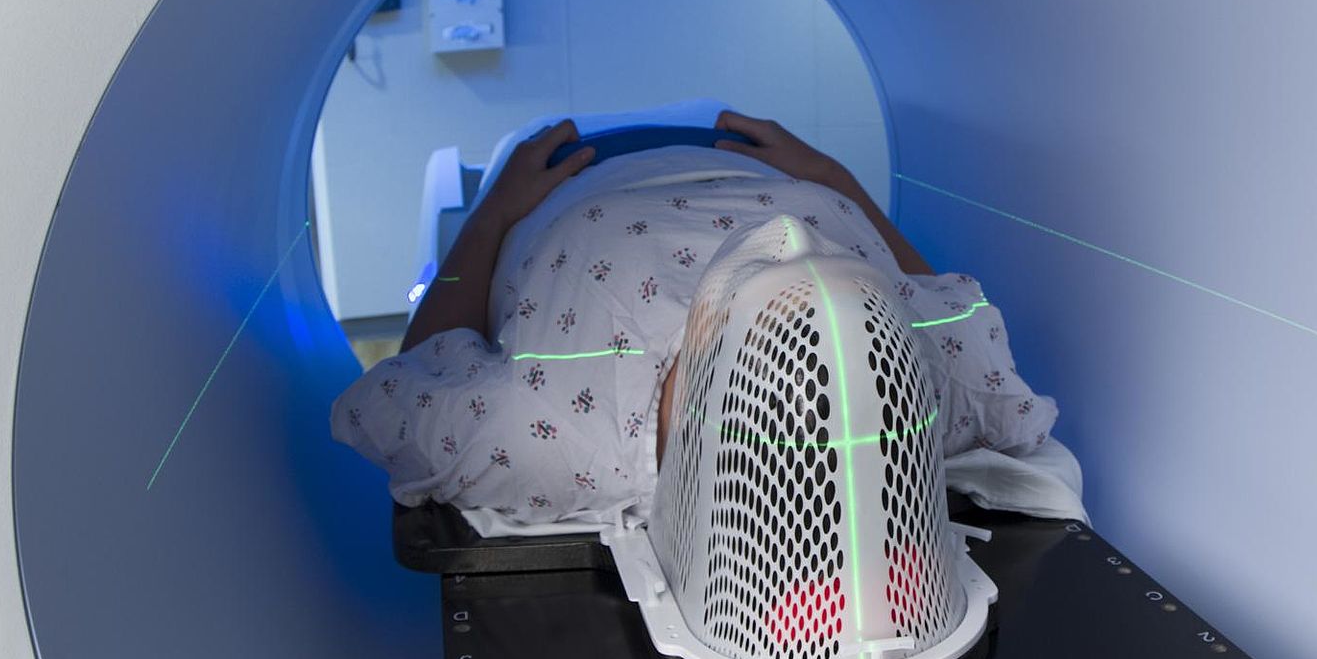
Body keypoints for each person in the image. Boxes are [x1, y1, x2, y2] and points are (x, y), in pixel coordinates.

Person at [332, 111, 1076, 536]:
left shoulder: (552, 432)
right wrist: (831, 179)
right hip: (766, 173)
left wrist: (494, 212)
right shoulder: (935, 382)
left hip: (578, 182)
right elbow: (942, 296)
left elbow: (409, 373)